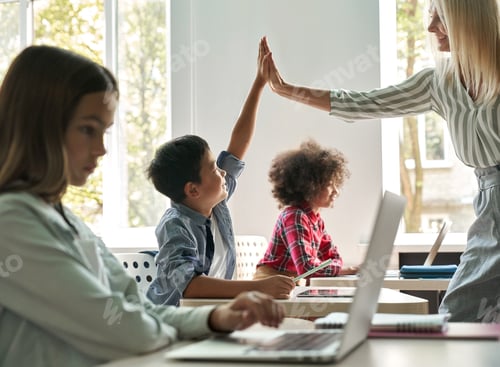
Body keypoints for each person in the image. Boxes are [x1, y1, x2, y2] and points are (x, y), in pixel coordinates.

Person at [0, 45, 286, 367]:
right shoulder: (11, 221)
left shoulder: (68, 220)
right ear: (41, 126)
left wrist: (217, 318)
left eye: (105, 132)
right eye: (87, 130)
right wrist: (186, 326)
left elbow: (139, 310)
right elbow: (119, 329)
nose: (102, 149)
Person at [259, 0, 500, 322]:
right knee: (461, 314)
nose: (430, 29)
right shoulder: (439, 83)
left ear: (468, 20)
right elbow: (364, 103)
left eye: (439, 19)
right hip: (489, 204)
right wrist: (285, 90)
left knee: (464, 314)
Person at [146, 38, 295, 306]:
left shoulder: (215, 203)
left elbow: (238, 145)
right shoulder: (175, 225)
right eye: (214, 168)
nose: (223, 172)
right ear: (193, 189)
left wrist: (259, 83)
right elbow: (190, 286)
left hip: (210, 315)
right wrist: (257, 288)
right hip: (174, 323)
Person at [253, 139, 359, 283]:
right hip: (270, 283)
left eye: (337, 184)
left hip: (292, 283)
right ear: (310, 186)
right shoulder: (295, 216)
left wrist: (334, 267)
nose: (336, 191)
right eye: (330, 184)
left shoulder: (316, 220)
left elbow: (334, 259)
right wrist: (349, 270)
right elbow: (308, 269)